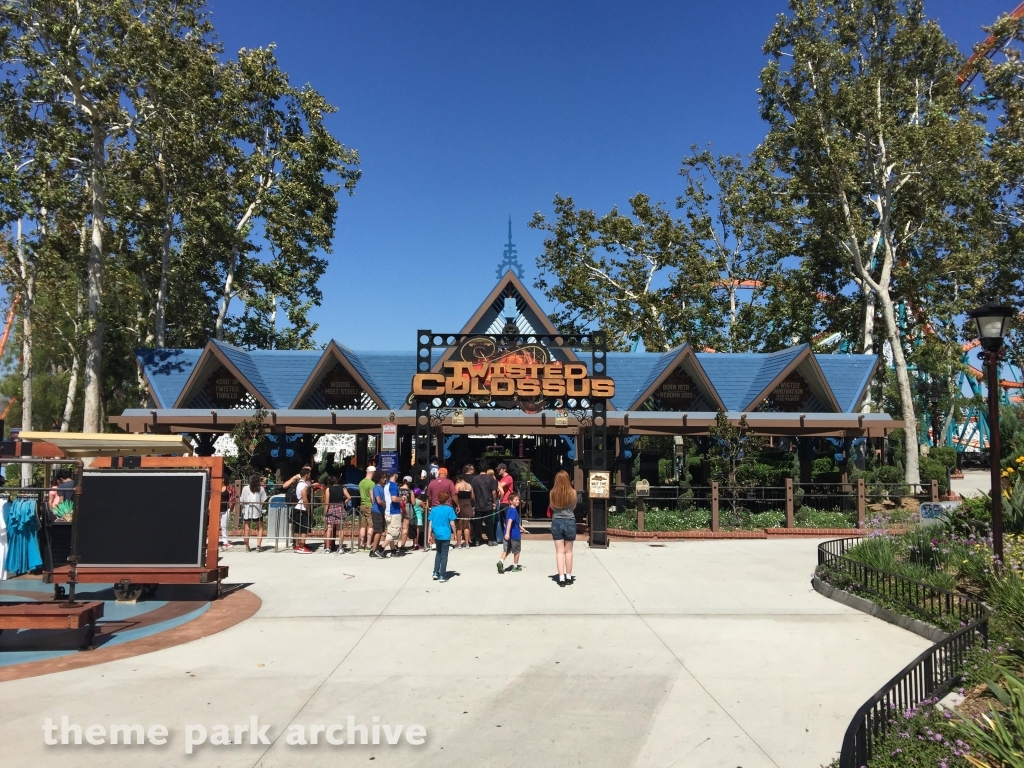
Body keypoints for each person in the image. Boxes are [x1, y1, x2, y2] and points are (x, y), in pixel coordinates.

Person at [548, 470, 578, 586]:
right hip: (570, 520)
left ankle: (561, 577)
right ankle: (569, 576)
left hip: (556, 521)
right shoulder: (573, 492)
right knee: (569, 551)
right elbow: (574, 506)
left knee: (559, 551)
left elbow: (552, 507)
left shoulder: (552, 492)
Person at [428, 490, 457, 582]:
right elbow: (452, 523)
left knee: (438, 553)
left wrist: (429, 535)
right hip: (446, 534)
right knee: (444, 555)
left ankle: (435, 572)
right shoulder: (449, 509)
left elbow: (430, 523)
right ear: (447, 499)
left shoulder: (434, 509)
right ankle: (442, 575)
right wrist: (455, 534)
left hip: (437, 534)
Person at [469, 463, 498, 546]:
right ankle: (491, 540)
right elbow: (494, 492)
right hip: (488, 503)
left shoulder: (474, 479)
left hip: (478, 504)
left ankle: (477, 540)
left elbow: (472, 492)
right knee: (489, 523)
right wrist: (494, 502)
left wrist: (474, 501)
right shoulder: (491, 479)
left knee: (478, 523)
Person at [286, 466, 313, 554]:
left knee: (297, 528)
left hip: (296, 508)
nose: (309, 475)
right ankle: (302, 545)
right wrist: (307, 507)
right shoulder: (304, 485)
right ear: (306, 475)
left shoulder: (298, 483)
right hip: (302, 508)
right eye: (309, 474)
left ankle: (297, 545)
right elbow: (304, 498)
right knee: (304, 528)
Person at [497, 491, 525, 573]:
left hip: (507, 535)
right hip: (514, 535)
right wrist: (508, 533)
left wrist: (520, 527)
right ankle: (515, 566)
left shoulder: (509, 510)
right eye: (516, 500)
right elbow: (509, 522)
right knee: (517, 551)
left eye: (518, 500)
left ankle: (500, 561)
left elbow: (513, 522)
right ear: (510, 501)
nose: (518, 501)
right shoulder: (513, 511)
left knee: (507, 550)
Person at [240, 473, 267, 552]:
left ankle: (247, 546)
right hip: (257, 509)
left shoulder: (245, 488)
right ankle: (258, 545)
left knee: (246, 528)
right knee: (260, 527)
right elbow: (263, 500)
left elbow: (242, 500)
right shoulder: (260, 489)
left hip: (247, 509)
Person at [323, 475, 349, 554]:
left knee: (329, 528)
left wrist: (325, 514)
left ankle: (327, 548)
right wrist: (343, 503)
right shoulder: (342, 488)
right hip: (340, 508)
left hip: (331, 508)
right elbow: (349, 497)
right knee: (340, 529)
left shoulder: (328, 489)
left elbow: (327, 503)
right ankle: (341, 547)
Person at [383, 472, 403, 556]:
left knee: (390, 531)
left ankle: (393, 550)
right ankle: (381, 548)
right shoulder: (393, 485)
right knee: (394, 533)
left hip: (387, 511)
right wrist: (402, 499)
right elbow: (394, 499)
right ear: (394, 474)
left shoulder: (386, 485)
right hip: (394, 511)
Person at [369, 471, 388, 558]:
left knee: (381, 530)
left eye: (385, 477)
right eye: (382, 478)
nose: (384, 479)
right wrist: (387, 504)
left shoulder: (383, 487)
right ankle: (374, 549)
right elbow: (378, 500)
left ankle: (375, 548)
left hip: (381, 511)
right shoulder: (376, 488)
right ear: (378, 478)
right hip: (376, 511)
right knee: (378, 531)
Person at [357, 465, 376, 550]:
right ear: (373, 473)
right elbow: (372, 496)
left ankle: (361, 543)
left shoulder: (361, 482)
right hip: (369, 505)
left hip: (362, 505)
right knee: (371, 525)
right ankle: (368, 544)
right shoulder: (371, 483)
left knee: (363, 526)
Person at [454, 472, 474, 549]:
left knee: (459, 526)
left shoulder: (458, 485)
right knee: (466, 525)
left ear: (458, 479)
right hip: (468, 504)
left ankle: (459, 543)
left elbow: (454, 495)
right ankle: (467, 543)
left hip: (460, 504)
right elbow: (472, 496)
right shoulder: (469, 485)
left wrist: (457, 504)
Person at [496, 464, 514, 544]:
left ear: (504, 469)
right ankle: (505, 536)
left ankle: (509, 536)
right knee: (502, 521)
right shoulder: (502, 478)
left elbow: (500, 486)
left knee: (508, 520)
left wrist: (494, 482)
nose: (498, 471)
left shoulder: (508, 478)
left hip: (507, 502)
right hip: (502, 501)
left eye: (499, 469)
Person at [398, 476, 414, 551]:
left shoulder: (398, 489)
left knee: (398, 527)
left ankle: (395, 544)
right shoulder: (410, 491)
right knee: (405, 527)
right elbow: (413, 502)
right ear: (410, 483)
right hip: (407, 507)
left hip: (398, 507)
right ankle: (402, 545)